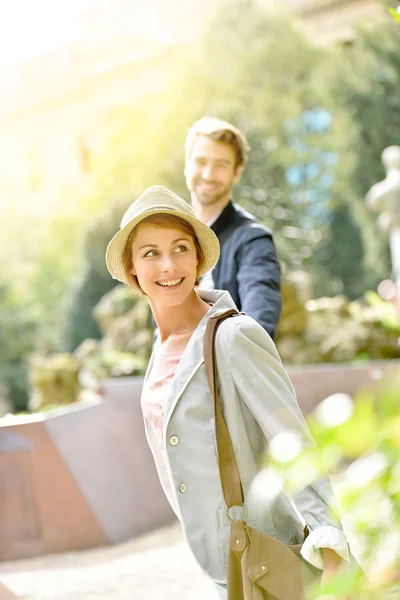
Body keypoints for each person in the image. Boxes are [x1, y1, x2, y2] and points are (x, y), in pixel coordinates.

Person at [106, 186, 350, 599]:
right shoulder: (161, 347)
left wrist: (332, 551)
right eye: (150, 253)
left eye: (180, 248)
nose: (168, 265)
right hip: (220, 567)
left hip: (263, 558)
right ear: (131, 268)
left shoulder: (233, 336)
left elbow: (293, 441)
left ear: (198, 259)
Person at [184, 116, 281, 339]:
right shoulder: (170, 235)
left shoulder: (254, 242)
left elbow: (260, 322)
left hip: (224, 369)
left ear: (237, 173)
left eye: (221, 165)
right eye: (201, 162)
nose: (208, 175)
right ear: (187, 164)